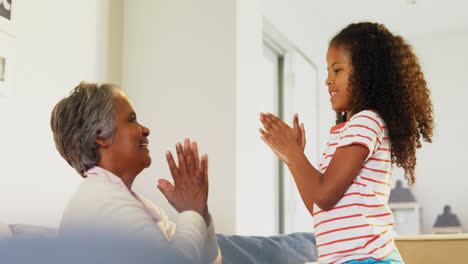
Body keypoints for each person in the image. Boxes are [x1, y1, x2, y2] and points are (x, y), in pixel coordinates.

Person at [259, 22, 433, 264]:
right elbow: (320, 206)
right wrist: (293, 158)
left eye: (337, 70)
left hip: (367, 259)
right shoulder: (347, 132)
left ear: (365, 74)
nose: (328, 80)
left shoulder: (366, 122)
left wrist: (294, 153)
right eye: (328, 71)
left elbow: (324, 196)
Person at [50, 82, 221, 264]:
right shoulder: (99, 200)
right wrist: (190, 211)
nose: (146, 130)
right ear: (101, 136)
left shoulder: (128, 202)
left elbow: (211, 261)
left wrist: (200, 212)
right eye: (131, 120)